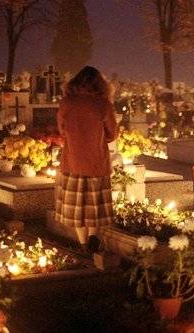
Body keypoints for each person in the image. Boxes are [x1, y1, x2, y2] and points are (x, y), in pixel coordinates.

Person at [54, 66, 118, 251]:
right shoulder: (103, 104)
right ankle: (93, 239)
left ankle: (83, 245)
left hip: (73, 161)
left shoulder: (67, 103)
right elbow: (111, 134)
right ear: (100, 84)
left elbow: (62, 130)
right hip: (96, 162)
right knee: (93, 207)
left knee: (77, 209)